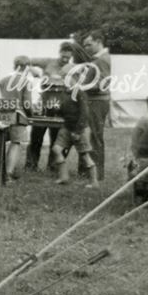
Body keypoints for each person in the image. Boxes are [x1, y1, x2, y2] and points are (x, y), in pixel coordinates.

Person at [52, 44, 99, 188]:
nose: (64, 80)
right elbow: (64, 109)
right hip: (67, 127)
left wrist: (78, 132)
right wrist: (56, 109)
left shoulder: (80, 92)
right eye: (63, 77)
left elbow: (85, 114)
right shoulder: (65, 92)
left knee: (85, 155)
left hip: (80, 129)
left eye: (66, 77)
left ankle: (94, 182)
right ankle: (63, 176)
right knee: (56, 149)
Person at [26, 42, 75, 172]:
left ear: (71, 55)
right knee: (36, 135)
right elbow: (27, 60)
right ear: (60, 52)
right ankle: (31, 165)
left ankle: (53, 166)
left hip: (61, 105)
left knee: (56, 137)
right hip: (44, 102)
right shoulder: (48, 61)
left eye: (69, 54)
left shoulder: (72, 67)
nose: (66, 56)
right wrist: (33, 70)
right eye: (64, 52)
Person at [81, 30, 111, 180]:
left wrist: (80, 87)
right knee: (90, 135)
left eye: (89, 44)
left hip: (97, 102)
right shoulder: (97, 60)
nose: (86, 48)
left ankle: (97, 174)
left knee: (94, 137)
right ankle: (90, 171)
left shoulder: (102, 60)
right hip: (94, 101)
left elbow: (103, 84)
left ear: (99, 41)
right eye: (84, 46)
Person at [0, 56, 35, 181]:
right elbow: (27, 104)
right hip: (18, 116)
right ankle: (8, 174)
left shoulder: (3, 80)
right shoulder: (26, 81)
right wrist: (32, 114)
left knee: (1, 143)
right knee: (15, 143)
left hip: (1, 115)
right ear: (26, 67)